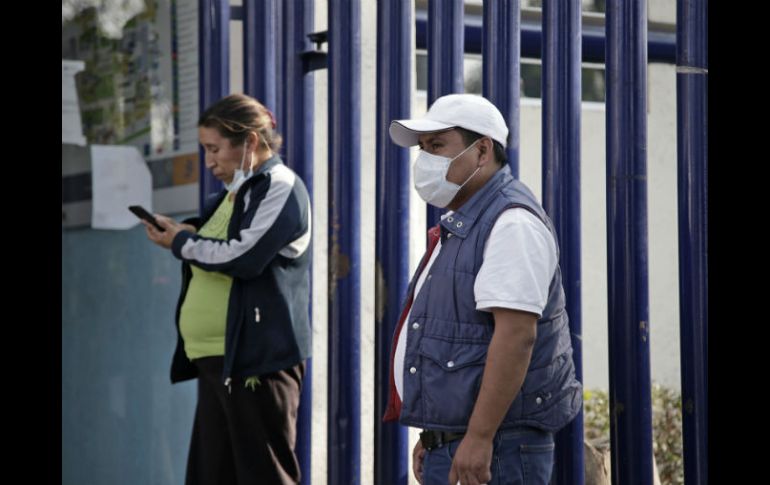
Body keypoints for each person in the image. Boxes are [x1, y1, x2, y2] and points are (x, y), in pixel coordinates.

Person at [382, 94, 582, 485]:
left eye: (437, 146)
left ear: (482, 151)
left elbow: (516, 336)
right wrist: (437, 434)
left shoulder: (511, 223)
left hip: (499, 448)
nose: (425, 161)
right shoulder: (466, 222)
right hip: (463, 442)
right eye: (423, 149)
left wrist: (478, 436)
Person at [142, 93, 312, 485]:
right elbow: (220, 243)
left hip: (257, 362)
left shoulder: (281, 186)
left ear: (250, 141)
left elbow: (244, 255)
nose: (209, 162)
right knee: (211, 475)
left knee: (263, 475)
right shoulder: (239, 191)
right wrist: (188, 232)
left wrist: (182, 244)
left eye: (215, 149)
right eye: (205, 150)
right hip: (219, 360)